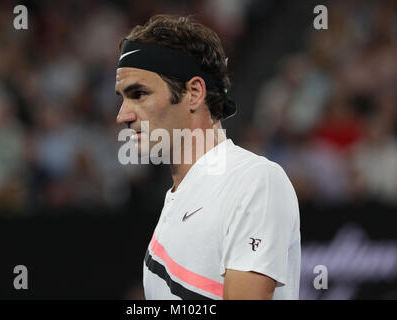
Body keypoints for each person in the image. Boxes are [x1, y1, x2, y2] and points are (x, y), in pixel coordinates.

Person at [115, 14, 300, 300]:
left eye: (139, 94)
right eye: (122, 98)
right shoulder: (177, 200)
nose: (122, 116)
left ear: (194, 92)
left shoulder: (255, 181)